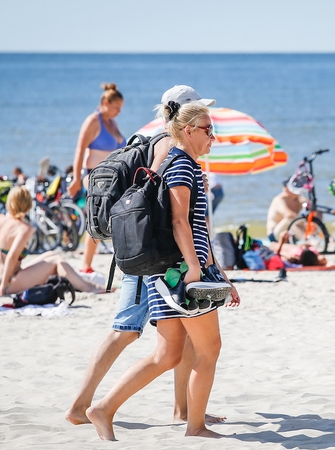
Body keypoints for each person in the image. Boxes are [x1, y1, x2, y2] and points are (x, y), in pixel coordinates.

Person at [65, 85, 222, 427]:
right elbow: (169, 206)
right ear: (183, 117)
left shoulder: (158, 140)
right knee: (125, 328)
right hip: (157, 254)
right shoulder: (169, 145)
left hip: (161, 251)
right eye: (198, 112)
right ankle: (82, 406)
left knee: (179, 338)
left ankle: (185, 410)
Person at [0, 186, 106, 296]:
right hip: (8, 283)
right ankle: (87, 287)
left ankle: (83, 284)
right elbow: (11, 257)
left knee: (52, 255)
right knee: (56, 260)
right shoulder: (24, 228)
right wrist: (3, 287)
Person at [67, 83, 126, 273]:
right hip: (93, 175)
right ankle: (86, 264)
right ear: (106, 102)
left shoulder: (113, 123)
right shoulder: (93, 121)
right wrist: (76, 179)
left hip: (113, 177)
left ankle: (122, 260)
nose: (119, 112)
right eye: (116, 107)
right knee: (97, 216)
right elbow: (79, 150)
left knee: (118, 217)